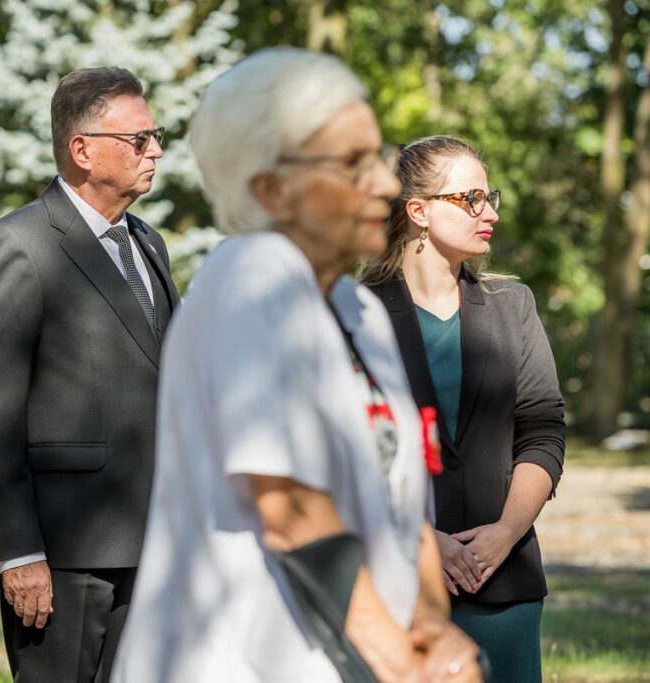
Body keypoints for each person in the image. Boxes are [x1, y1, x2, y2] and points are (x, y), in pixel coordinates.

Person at [112, 48, 481, 683]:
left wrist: (434, 633)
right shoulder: (250, 280)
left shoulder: (358, 308)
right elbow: (289, 508)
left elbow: (408, 508)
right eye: (353, 163)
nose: (386, 184)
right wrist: (401, 661)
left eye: (380, 155)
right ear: (271, 189)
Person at [0, 66, 180, 682]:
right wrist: (18, 550)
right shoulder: (19, 244)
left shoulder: (149, 243)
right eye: (139, 139)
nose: (156, 151)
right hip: (64, 551)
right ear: (82, 151)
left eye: (155, 136)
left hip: (152, 540)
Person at [362, 135, 566, 681]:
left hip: (503, 586)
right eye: (470, 198)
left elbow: (542, 430)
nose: (490, 213)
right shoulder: (356, 313)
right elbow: (341, 449)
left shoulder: (513, 307)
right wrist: (421, 539)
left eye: (489, 197)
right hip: (395, 588)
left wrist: (506, 532)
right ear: (419, 212)